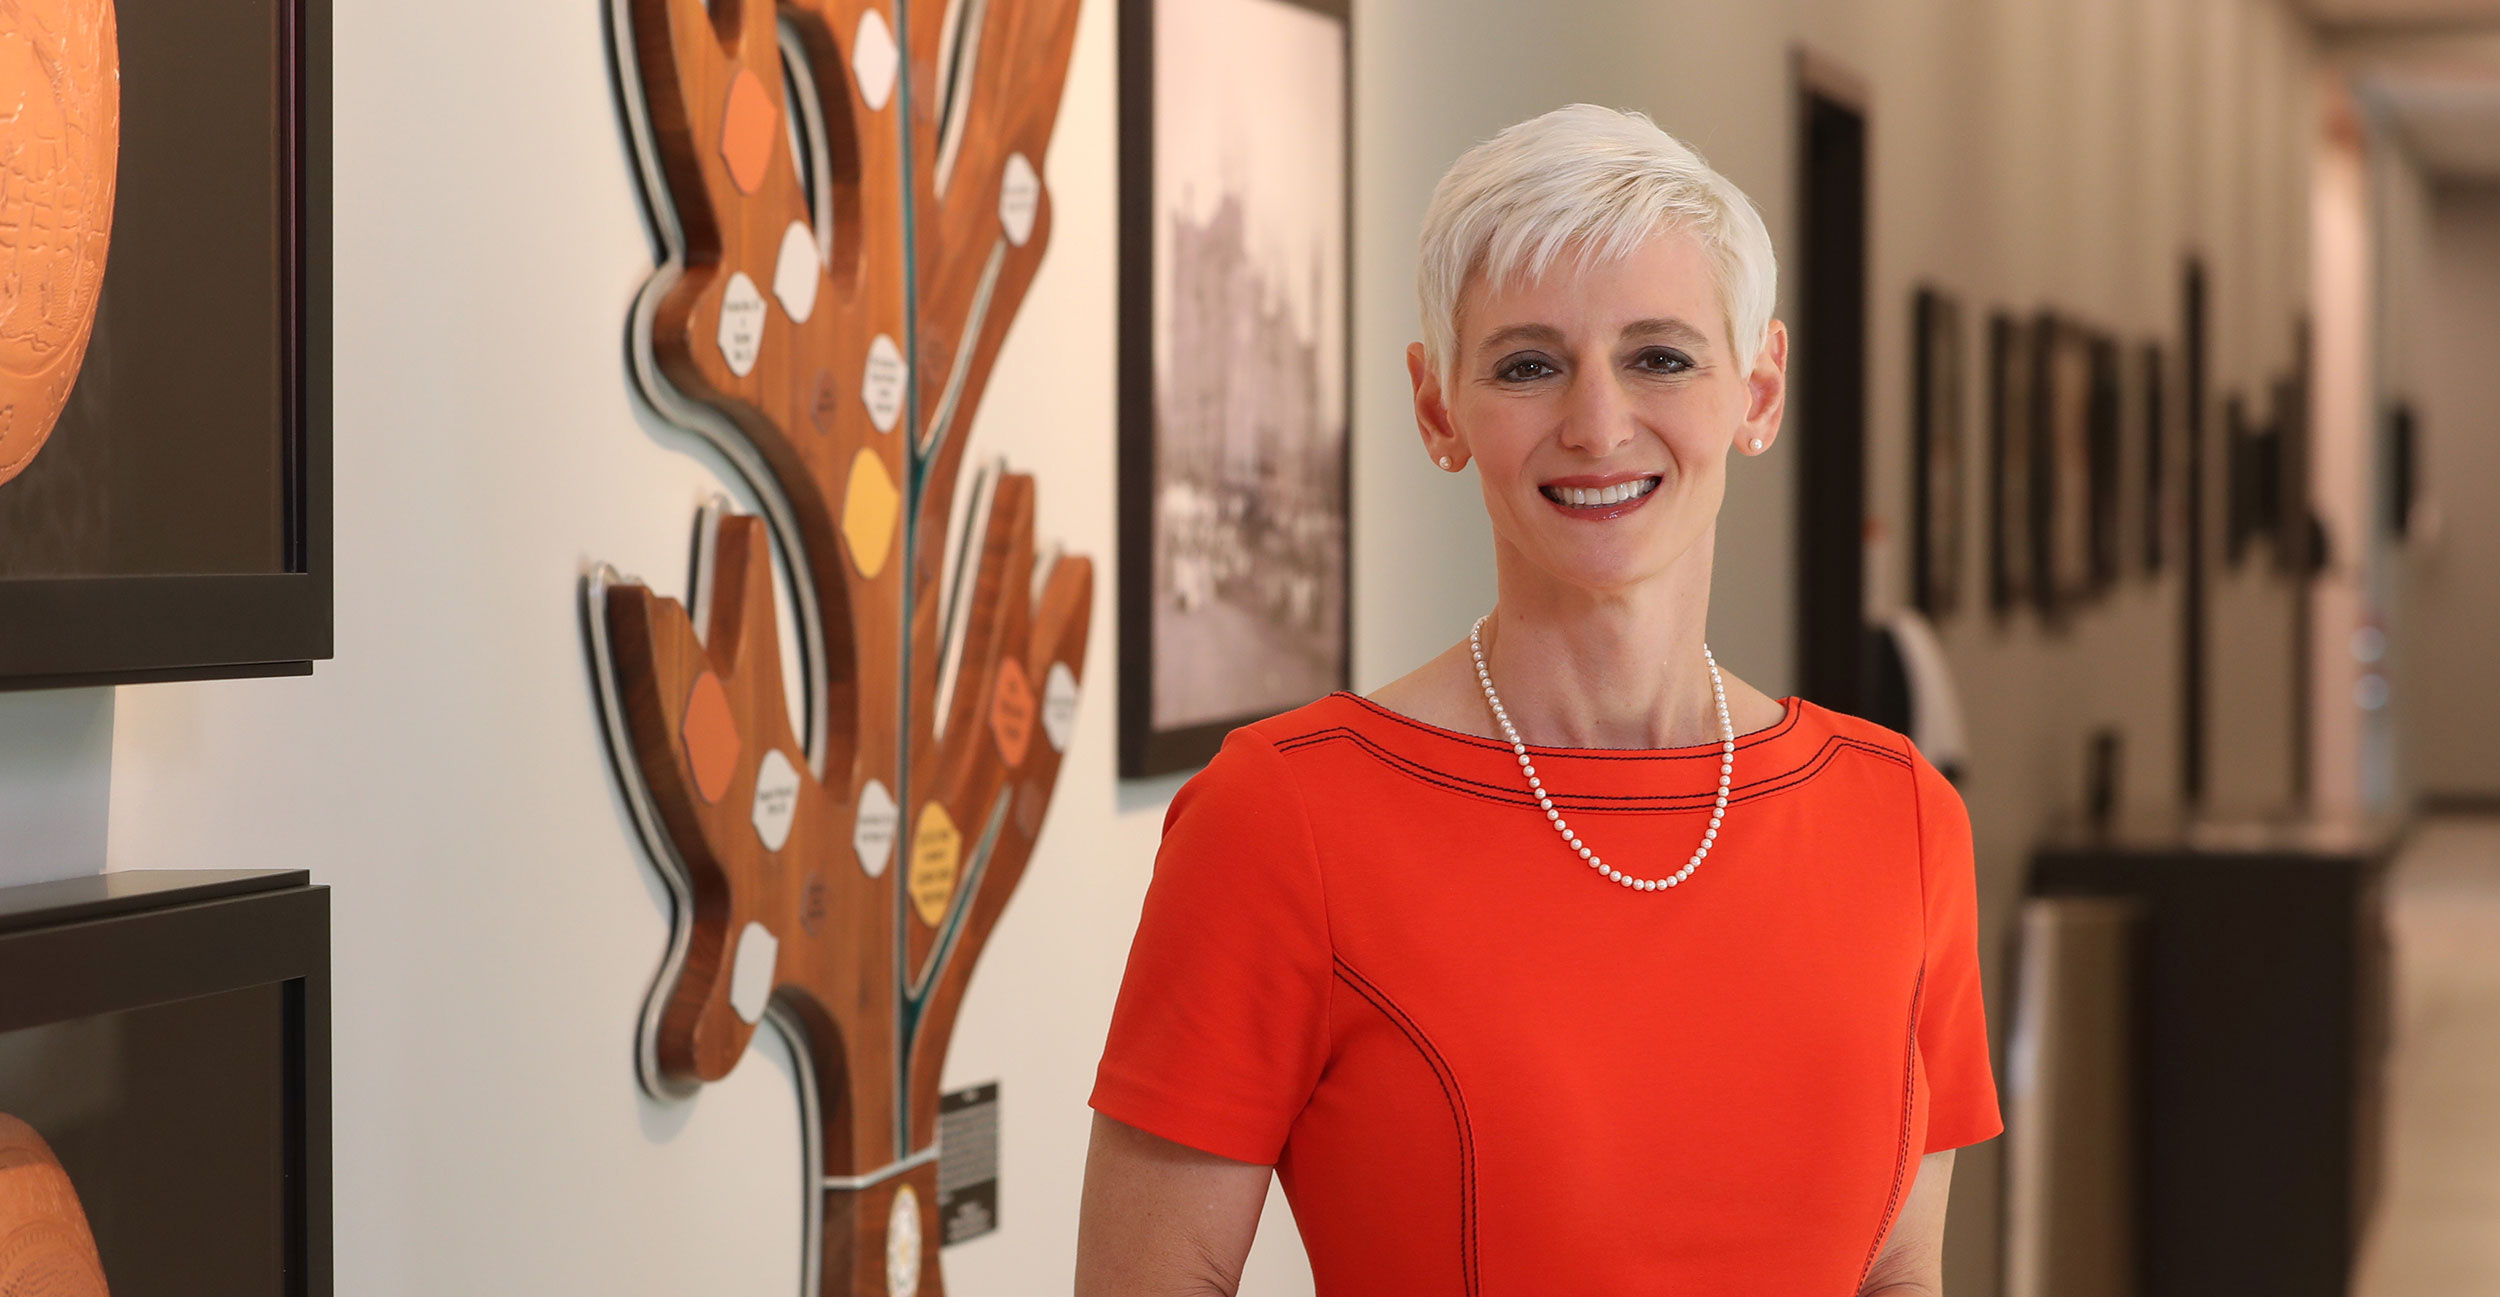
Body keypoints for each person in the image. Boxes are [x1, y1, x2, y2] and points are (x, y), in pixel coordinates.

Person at [1076, 103, 2001, 1295]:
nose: (1598, 424)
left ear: (1758, 391)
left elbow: (1900, 1276)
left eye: (1660, 356)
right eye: (1527, 364)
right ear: (1436, 407)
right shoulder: (1283, 819)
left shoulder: (1903, 823)